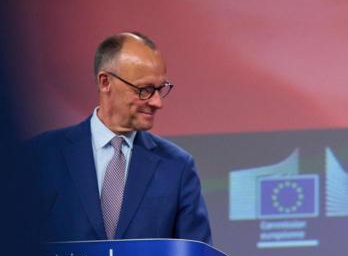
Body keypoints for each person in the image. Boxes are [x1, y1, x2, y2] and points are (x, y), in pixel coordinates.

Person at [29, 32, 212, 244]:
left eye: (161, 89)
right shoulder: (42, 156)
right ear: (105, 82)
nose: (157, 102)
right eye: (145, 90)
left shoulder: (177, 167)